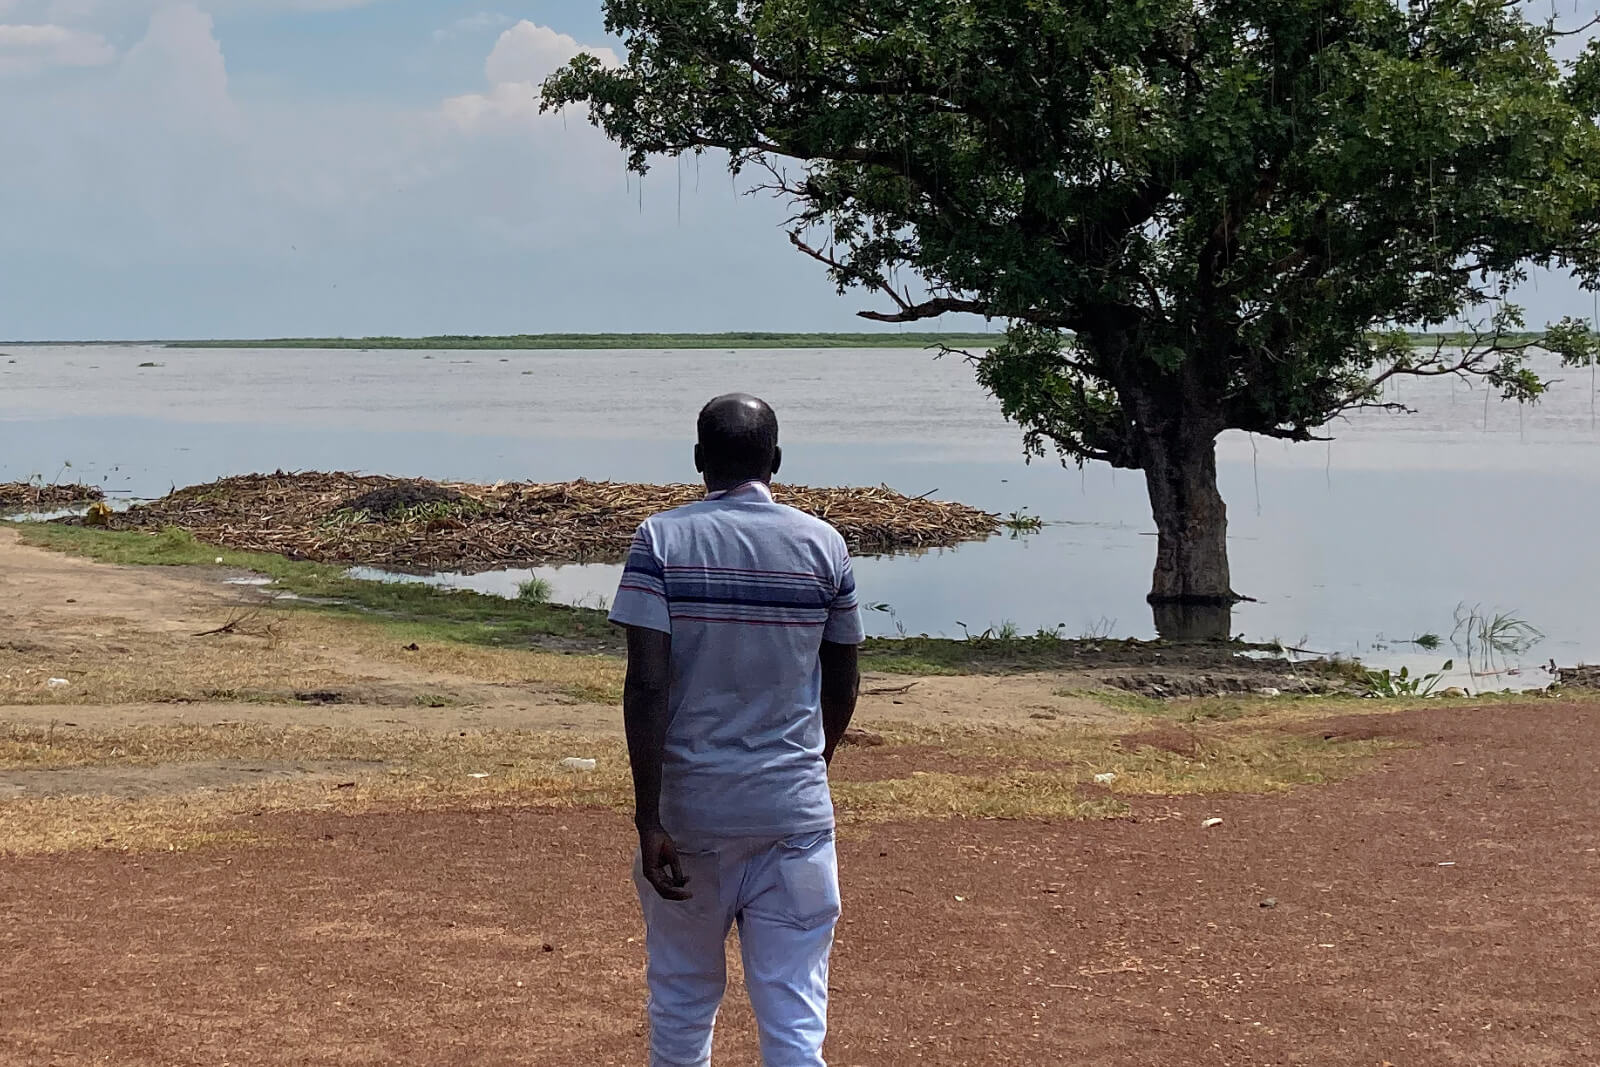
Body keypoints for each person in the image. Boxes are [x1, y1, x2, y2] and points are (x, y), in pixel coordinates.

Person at [608, 393, 864, 1066]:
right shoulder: (825, 546)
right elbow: (841, 683)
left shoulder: (660, 540)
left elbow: (647, 685)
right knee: (794, 1020)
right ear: (775, 461)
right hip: (793, 815)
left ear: (699, 460)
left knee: (683, 1004)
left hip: (691, 815)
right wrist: (813, 765)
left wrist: (648, 818)